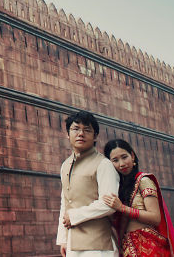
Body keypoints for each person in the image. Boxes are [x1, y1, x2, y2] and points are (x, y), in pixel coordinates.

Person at [102, 139, 174, 257]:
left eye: (124, 157)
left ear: (132, 156)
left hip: (148, 247)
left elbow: (155, 218)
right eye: (115, 160)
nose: (122, 164)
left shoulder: (143, 181)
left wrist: (122, 208)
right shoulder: (117, 188)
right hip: (127, 247)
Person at [57, 110, 120, 257]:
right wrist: (63, 240)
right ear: (68, 134)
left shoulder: (104, 164)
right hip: (73, 245)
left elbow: (108, 204)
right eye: (76, 129)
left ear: (95, 136)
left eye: (87, 130)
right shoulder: (65, 165)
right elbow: (64, 203)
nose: (81, 134)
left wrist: (74, 215)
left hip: (98, 246)